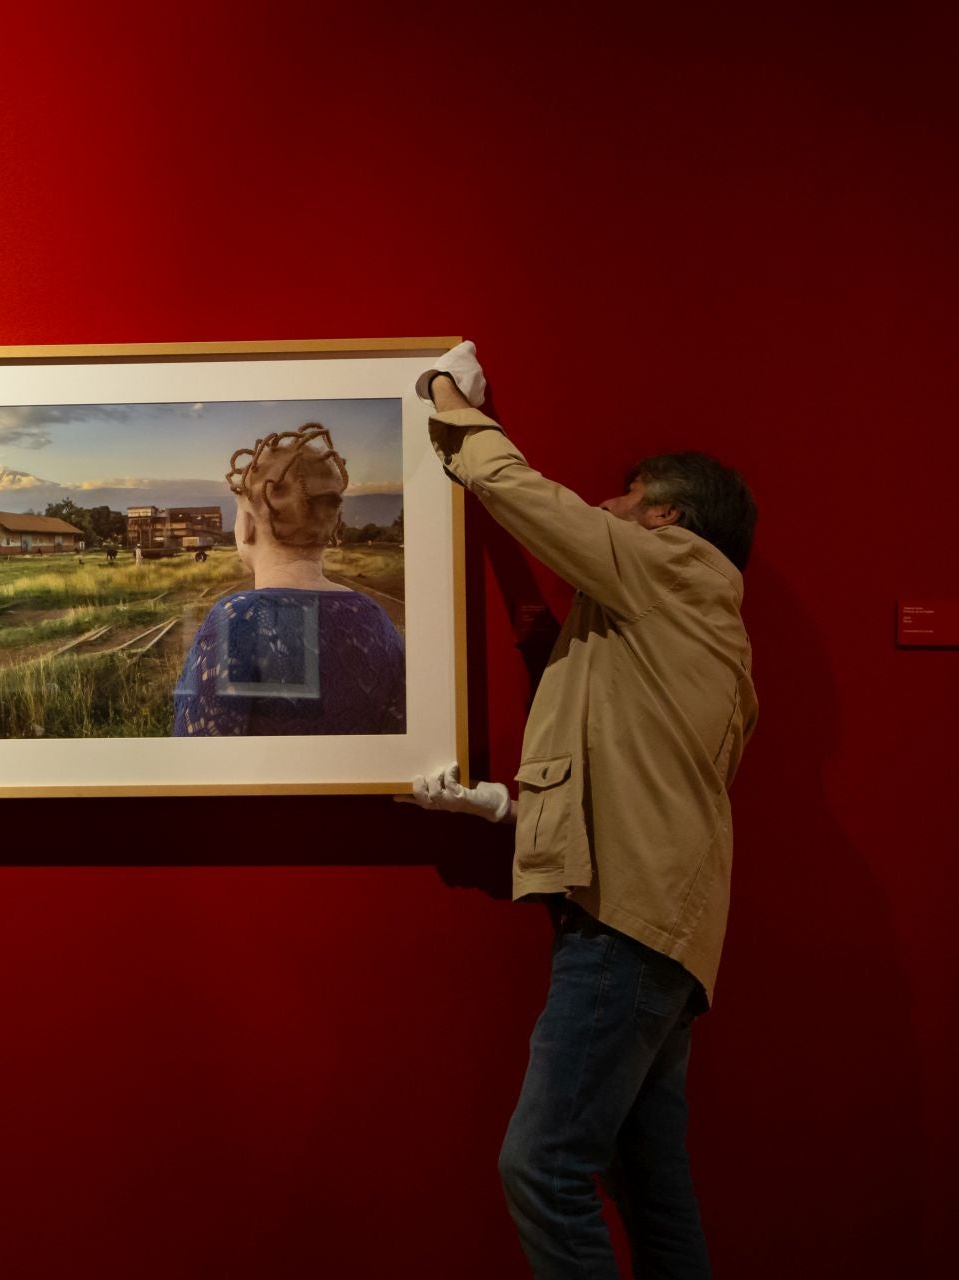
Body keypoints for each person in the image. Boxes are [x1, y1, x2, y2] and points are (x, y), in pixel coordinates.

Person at [401, 342, 758, 1277]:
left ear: (666, 519)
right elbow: (644, 777)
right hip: (665, 925)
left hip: (626, 925)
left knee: (542, 1166)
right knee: (651, 1184)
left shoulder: (667, 570)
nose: (606, 510)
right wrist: (510, 809)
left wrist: (448, 398)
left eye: (624, 500)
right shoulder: (703, 625)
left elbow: (525, 498)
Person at [171, 423, 405, 736]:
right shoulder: (374, 618)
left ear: (249, 527)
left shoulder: (235, 619)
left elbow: (198, 750)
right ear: (331, 527)